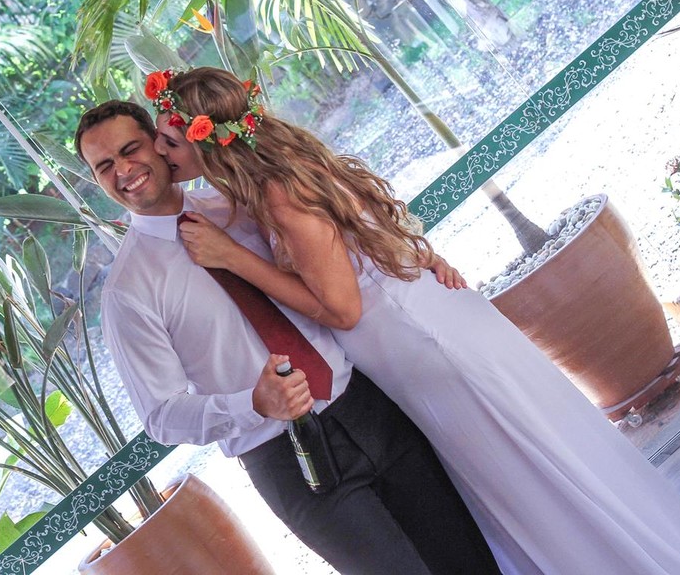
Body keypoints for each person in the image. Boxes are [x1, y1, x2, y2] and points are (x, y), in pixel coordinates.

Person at [149, 65, 680, 575]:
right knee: (537, 472)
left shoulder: (279, 191)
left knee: (535, 481)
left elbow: (342, 307)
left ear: (209, 141)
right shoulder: (275, 176)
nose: (160, 155)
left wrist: (234, 262)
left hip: (425, 349)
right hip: (424, 328)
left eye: (169, 143)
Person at [75, 99, 500, 574]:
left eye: (130, 149)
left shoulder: (240, 208)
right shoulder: (127, 292)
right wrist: (253, 403)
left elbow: (343, 256)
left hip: (368, 405)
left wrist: (415, 264)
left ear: (158, 144)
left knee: (472, 559)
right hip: (290, 463)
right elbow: (161, 416)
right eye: (105, 166)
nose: (123, 170)